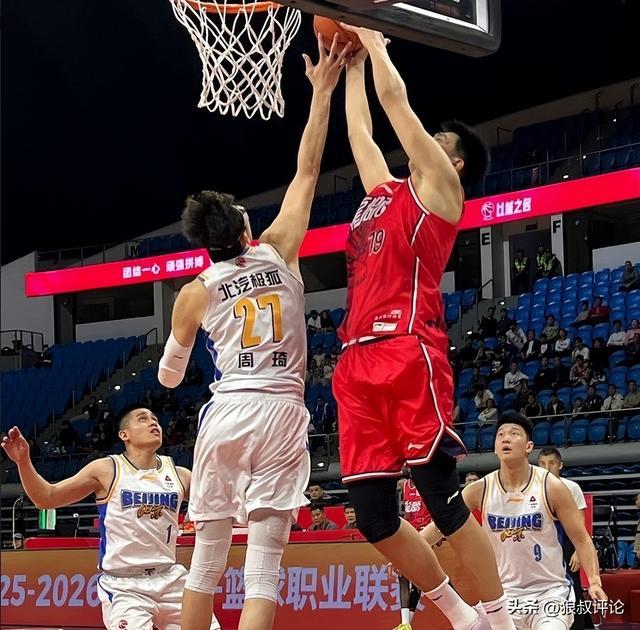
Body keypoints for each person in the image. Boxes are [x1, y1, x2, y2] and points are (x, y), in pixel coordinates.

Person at [159, 36, 351, 630]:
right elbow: (308, 168)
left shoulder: (194, 291)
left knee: (205, 562)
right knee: (264, 567)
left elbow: (169, 378)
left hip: (229, 411)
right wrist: (321, 91)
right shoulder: (279, 249)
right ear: (244, 229)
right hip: (281, 410)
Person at [333, 23, 513, 630]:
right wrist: (350, 65)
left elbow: (394, 103)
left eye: (438, 140)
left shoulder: (441, 188)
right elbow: (360, 132)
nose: (426, 140)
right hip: (355, 360)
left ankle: (500, 621)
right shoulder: (383, 192)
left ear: (453, 161)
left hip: (407, 348)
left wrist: (372, 37)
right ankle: (461, 616)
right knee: (374, 518)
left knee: (442, 500)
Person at [0, 407, 221, 630]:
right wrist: (23, 462)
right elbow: (47, 498)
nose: (153, 423)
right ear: (124, 435)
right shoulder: (107, 469)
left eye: (155, 419)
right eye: (142, 419)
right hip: (124, 584)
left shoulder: (180, 474)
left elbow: (218, 506)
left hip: (170, 577)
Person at [419, 413, 607, 630]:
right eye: (501, 435)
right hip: (502, 595)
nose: (506, 438)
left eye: (514, 433)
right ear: (495, 448)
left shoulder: (551, 486)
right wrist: (408, 552)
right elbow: (441, 526)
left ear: (529, 446)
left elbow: (582, 539)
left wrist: (594, 581)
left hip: (550, 594)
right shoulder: (480, 489)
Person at [537, 447, 592, 630]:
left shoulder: (571, 487)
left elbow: (580, 524)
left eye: (551, 463)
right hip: (542, 544)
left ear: (560, 465)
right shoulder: (532, 488)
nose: (547, 468)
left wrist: (578, 552)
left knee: (572, 586)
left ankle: (580, 626)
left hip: (567, 542)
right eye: (542, 464)